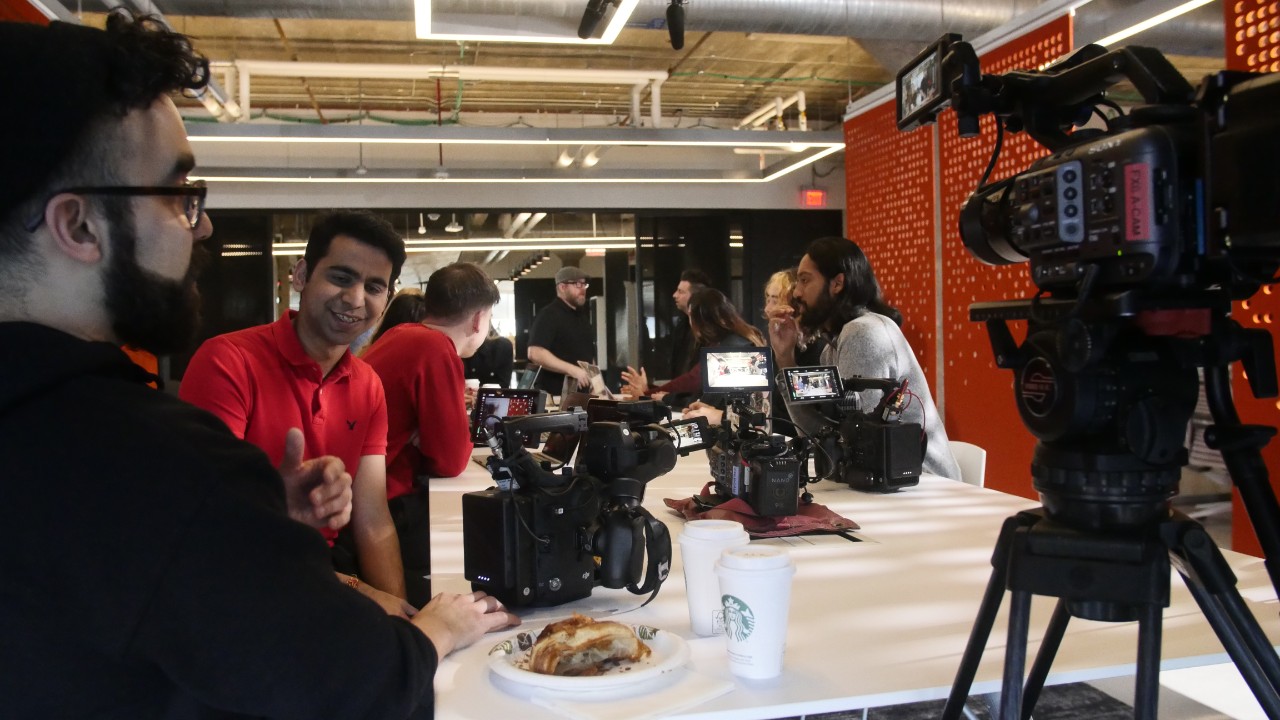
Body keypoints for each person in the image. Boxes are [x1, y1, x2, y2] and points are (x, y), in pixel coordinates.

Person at [0, 12, 515, 719]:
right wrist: (433, 629)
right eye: (181, 196)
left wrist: (262, 528)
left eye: (375, 287)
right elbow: (354, 689)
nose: (202, 224)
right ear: (80, 226)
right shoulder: (161, 462)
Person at [182, 210, 408, 608]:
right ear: (302, 275)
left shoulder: (368, 385)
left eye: (374, 287)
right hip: (238, 578)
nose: (355, 299)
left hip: (322, 574)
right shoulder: (228, 361)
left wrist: (403, 621)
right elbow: (214, 525)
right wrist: (365, 595)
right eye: (341, 277)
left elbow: (373, 520)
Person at [362, 262, 501, 607]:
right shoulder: (436, 349)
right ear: (478, 319)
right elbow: (451, 460)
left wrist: (427, 437)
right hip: (384, 509)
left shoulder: (401, 335)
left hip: (362, 499)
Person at [770, 236, 960, 480]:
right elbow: (824, 435)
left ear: (837, 283)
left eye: (805, 281)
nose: (796, 293)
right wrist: (785, 357)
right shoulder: (833, 347)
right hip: (890, 480)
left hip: (924, 485)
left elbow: (852, 442)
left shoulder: (863, 332)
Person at [622, 287, 765, 407]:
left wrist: (649, 395)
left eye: (691, 316)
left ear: (701, 320)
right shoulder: (734, 342)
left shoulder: (727, 351)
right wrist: (654, 394)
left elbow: (702, 396)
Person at [528, 265, 595, 395]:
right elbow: (535, 352)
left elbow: (587, 355)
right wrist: (572, 370)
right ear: (562, 287)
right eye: (577, 284)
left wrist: (596, 383)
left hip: (582, 396)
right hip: (554, 398)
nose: (583, 289)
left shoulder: (582, 318)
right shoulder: (548, 315)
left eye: (584, 284)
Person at [668, 269, 711, 379]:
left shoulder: (708, 329)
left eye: (680, 291)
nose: (674, 295)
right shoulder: (682, 326)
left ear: (695, 296)